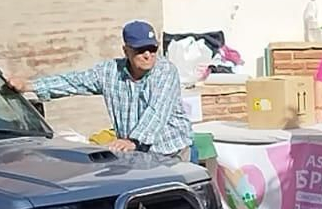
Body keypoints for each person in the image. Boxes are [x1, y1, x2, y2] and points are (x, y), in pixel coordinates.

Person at [24, 20, 194, 157]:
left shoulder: (166, 71)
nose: (148, 55)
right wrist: (31, 86)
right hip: (135, 154)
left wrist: (133, 141)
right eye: (140, 50)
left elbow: (157, 111)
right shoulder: (110, 72)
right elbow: (74, 82)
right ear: (126, 50)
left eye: (152, 48)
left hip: (170, 153)